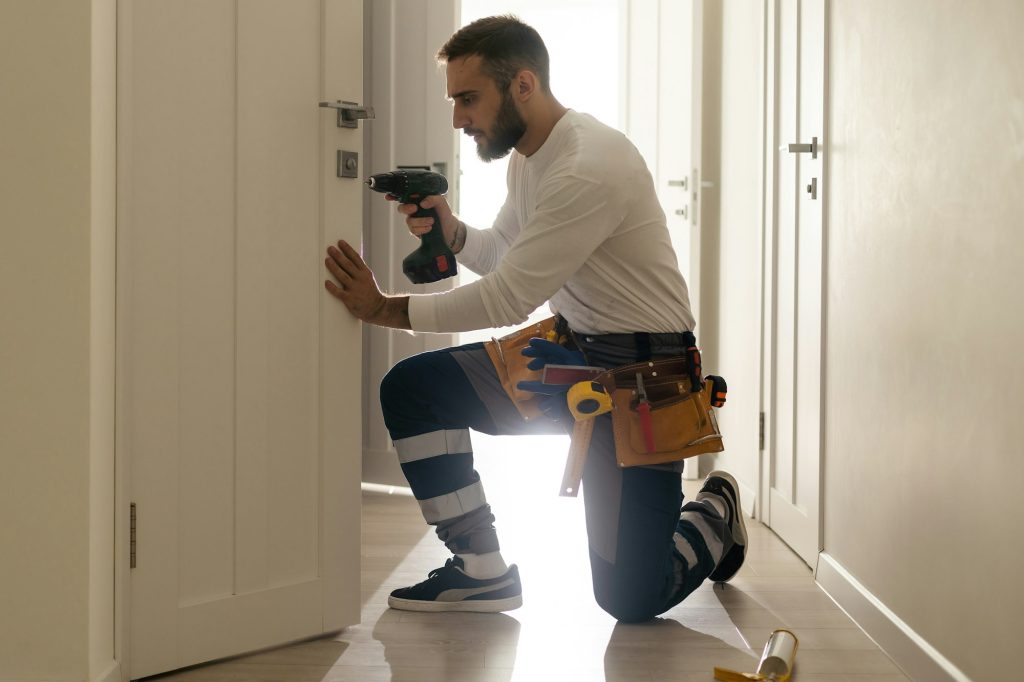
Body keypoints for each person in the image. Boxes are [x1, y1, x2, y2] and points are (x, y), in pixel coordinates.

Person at [323, 15, 746, 622]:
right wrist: (453, 230)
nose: (457, 118)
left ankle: (714, 510)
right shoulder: (530, 157)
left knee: (630, 597)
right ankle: (480, 572)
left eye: (469, 98)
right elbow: (501, 253)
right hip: (567, 361)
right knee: (414, 390)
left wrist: (382, 308)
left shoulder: (588, 164)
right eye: (454, 100)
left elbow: (506, 298)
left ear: (523, 84)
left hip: (644, 383)